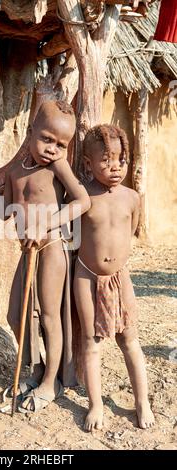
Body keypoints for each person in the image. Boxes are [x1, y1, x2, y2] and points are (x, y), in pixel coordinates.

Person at [0, 100, 91, 412]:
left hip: (52, 247)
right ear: (30, 132)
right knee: (17, 315)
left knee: (50, 317)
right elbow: (2, 213)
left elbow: (82, 202)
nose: (53, 148)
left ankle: (51, 382)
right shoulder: (16, 171)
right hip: (28, 252)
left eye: (61, 144)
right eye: (47, 139)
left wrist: (47, 223)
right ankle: (37, 369)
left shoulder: (56, 168)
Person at [73, 124, 155, 430]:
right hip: (87, 275)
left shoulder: (132, 197)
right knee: (91, 342)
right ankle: (95, 406)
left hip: (120, 278)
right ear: (88, 164)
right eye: (105, 160)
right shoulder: (83, 196)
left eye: (121, 159)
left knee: (130, 341)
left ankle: (141, 401)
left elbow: (131, 230)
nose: (115, 166)